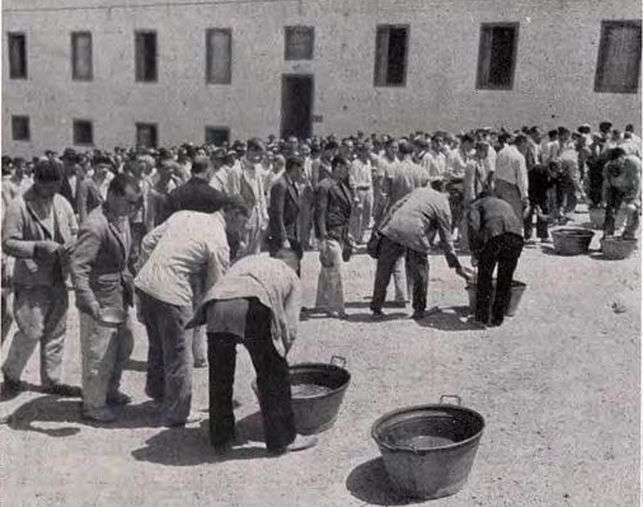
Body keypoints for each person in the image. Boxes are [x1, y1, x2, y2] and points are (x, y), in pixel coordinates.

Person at [134, 196, 249, 426]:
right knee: (180, 353)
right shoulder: (218, 239)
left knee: (158, 344)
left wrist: (149, 268)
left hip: (145, 285)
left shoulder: (184, 215)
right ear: (234, 213)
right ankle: (177, 412)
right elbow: (217, 287)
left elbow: (147, 242)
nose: (242, 229)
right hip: (172, 292)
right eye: (242, 222)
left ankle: (158, 395)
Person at [189, 249, 317, 454]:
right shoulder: (291, 275)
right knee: (272, 374)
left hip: (215, 304)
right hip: (252, 303)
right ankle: (283, 440)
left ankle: (221, 438)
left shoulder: (250, 260)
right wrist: (281, 356)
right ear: (296, 266)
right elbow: (291, 326)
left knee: (220, 376)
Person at [1, 159, 79, 398]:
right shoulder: (19, 206)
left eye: (57, 186)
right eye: (49, 187)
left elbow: (75, 230)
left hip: (58, 276)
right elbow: (8, 242)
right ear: (36, 181)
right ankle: (11, 372)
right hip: (31, 280)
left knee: (56, 331)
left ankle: (51, 380)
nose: (53, 191)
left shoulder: (62, 202)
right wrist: (36, 247)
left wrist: (72, 244)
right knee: (31, 331)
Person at [69, 174, 141, 422]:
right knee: (99, 351)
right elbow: (79, 267)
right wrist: (88, 301)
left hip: (118, 294)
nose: (132, 208)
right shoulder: (94, 225)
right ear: (112, 195)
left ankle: (110, 390)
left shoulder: (121, 218)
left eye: (135, 203)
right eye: (129, 202)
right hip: (99, 298)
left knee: (123, 345)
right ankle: (93, 404)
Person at [370, 186, 470, 320]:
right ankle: (419, 309)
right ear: (455, 202)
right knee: (421, 271)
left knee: (384, 270)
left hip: (393, 227)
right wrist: (456, 265)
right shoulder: (444, 207)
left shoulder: (421, 190)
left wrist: (381, 229)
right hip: (415, 232)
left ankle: (376, 309)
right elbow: (447, 240)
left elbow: (394, 207)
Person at [467, 192, 524, 327]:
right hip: (516, 238)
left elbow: (473, 227)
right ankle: (498, 318)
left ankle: (482, 318)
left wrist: (474, 251)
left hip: (494, 236)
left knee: (484, 277)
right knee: (505, 279)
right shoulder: (504, 203)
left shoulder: (476, 205)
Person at [313, 155, 353, 319]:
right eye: (346, 168)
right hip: (329, 233)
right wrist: (322, 238)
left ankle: (322, 303)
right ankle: (336, 307)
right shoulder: (325, 186)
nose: (348, 172)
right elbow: (320, 212)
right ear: (337, 167)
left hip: (340, 232)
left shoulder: (342, 185)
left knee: (327, 268)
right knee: (336, 270)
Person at [226, 138, 268, 256]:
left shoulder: (257, 169)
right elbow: (234, 197)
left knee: (255, 255)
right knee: (242, 254)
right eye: (258, 155)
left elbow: (261, 194)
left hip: (257, 217)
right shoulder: (236, 171)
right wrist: (243, 217)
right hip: (242, 219)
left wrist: (264, 215)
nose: (261, 158)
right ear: (249, 151)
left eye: (262, 155)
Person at [267, 157, 304, 260]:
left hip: (291, 233)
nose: (302, 173)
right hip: (282, 235)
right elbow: (278, 213)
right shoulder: (281, 185)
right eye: (301, 170)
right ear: (294, 169)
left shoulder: (291, 184)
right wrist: (284, 237)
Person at [602, 148, 641, 239]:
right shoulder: (608, 168)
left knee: (632, 209)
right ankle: (608, 233)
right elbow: (606, 185)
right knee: (610, 210)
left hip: (632, 188)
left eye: (617, 161)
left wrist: (635, 198)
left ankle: (629, 232)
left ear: (622, 157)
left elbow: (638, 182)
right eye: (613, 162)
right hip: (615, 189)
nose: (616, 163)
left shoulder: (633, 163)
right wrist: (604, 199)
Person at [494, 134, 529, 227]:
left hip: (499, 186)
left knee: (502, 216)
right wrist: (524, 196)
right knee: (515, 217)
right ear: (522, 142)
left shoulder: (501, 152)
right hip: (510, 189)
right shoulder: (519, 156)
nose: (526, 148)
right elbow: (521, 177)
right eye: (526, 145)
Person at [349, 142, 374, 244]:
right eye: (367, 151)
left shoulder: (368, 163)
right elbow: (352, 181)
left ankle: (361, 237)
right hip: (359, 191)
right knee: (357, 216)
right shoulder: (355, 164)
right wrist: (355, 196)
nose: (369, 153)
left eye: (370, 151)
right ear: (362, 151)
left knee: (367, 215)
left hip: (368, 191)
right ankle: (354, 237)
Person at [59, 148, 81, 214]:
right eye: (68, 160)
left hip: (76, 213)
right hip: (62, 212)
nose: (70, 163)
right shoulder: (59, 177)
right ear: (63, 161)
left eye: (72, 161)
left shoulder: (79, 177)